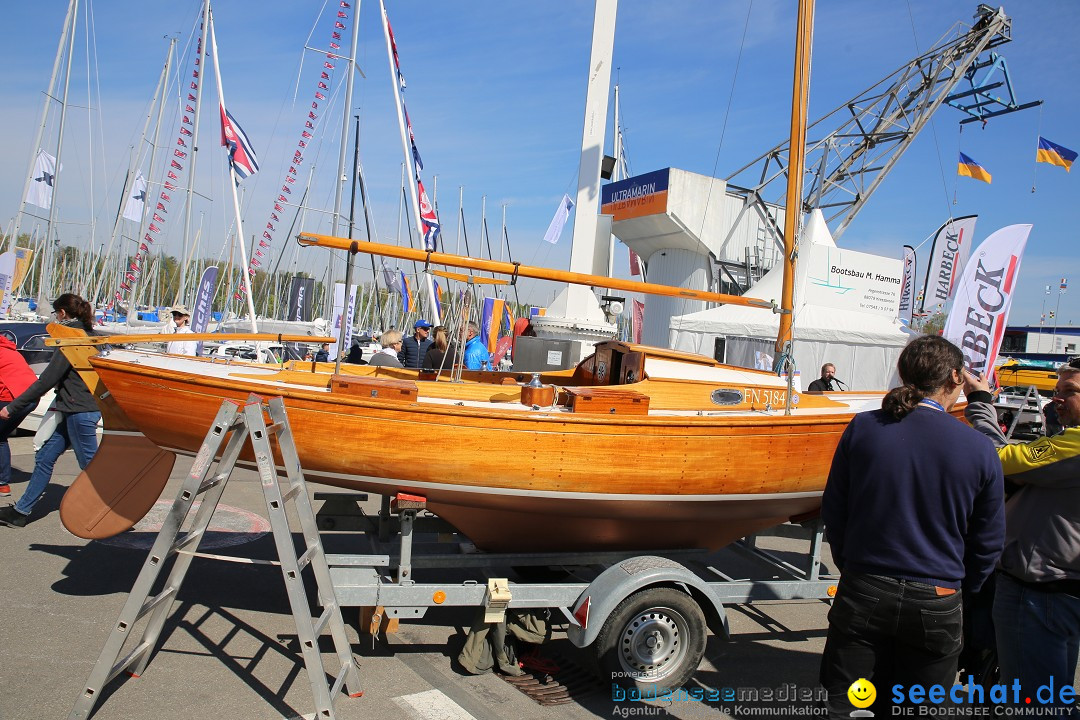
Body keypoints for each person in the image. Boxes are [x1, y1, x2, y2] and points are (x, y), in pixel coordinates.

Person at [819, 335, 1004, 718]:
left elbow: (835, 509)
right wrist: (959, 588)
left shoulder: (865, 428)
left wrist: (852, 564)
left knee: (847, 703)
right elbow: (988, 541)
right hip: (937, 593)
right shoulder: (980, 448)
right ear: (956, 378)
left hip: (866, 581)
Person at [964, 358, 1080, 716]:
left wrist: (981, 404)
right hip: (1053, 588)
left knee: (1032, 703)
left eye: (1070, 392)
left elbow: (998, 457)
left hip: (1040, 593)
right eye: (1057, 391)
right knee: (1050, 695)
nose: (1056, 399)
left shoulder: (1074, 445)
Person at [0, 293, 102, 528]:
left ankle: (116, 511)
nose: (55, 319)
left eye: (56, 313)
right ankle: (20, 511)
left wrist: (12, 408)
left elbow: (46, 380)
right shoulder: (89, 334)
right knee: (45, 457)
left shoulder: (71, 339)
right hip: (73, 409)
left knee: (92, 468)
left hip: (79, 411)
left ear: (63, 314)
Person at [0, 334, 39, 497]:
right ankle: (2, 484)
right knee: (0, 436)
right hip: (31, 397)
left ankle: (2, 483)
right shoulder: (8, 349)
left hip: (13, 398)